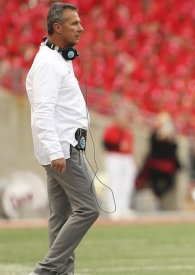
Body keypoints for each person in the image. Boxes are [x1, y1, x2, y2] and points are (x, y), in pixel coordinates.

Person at [25, 3, 99, 275]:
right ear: (57, 28)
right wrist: (55, 151)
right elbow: (42, 111)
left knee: (61, 216)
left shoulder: (56, 59)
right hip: (62, 149)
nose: (81, 28)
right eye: (74, 23)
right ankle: (45, 271)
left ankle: (61, 273)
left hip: (62, 147)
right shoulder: (48, 64)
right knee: (89, 209)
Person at [135, 112, 181, 206]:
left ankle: (156, 197)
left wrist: (170, 139)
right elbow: (154, 148)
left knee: (169, 183)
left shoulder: (170, 137)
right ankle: (154, 198)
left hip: (167, 165)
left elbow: (173, 150)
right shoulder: (155, 134)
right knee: (154, 182)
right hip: (156, 164)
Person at [102, 110, 137, 219]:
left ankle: (124, 208)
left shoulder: (127, 131)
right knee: (115, 182)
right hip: (114, 156)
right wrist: (118, 145)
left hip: (126, 158)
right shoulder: (111, 129)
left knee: (127, 184)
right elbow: (106, 143)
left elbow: (130, 146)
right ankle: (113, 209)